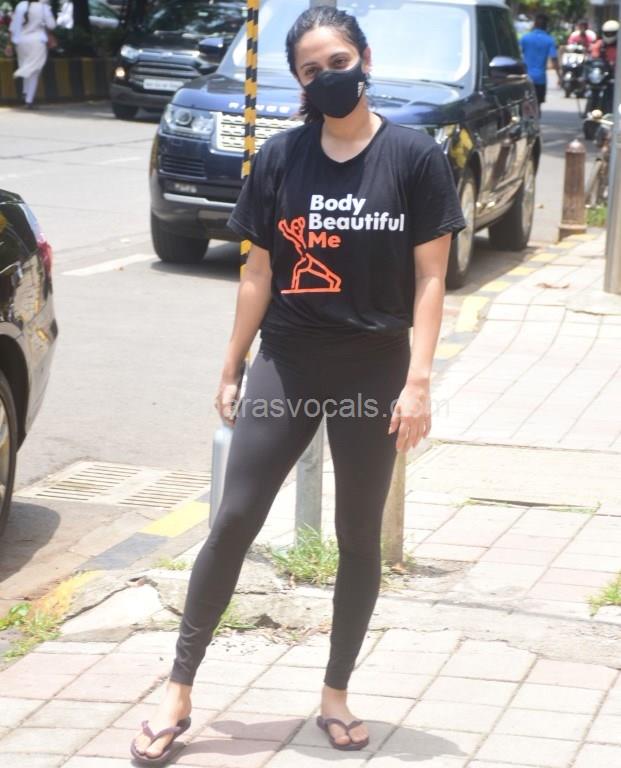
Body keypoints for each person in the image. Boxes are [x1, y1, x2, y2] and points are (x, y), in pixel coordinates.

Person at [130, 5, 466, 765]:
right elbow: (257, 271)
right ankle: (178, 689)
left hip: (374, 369)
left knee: (356, 536)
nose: (328, 77)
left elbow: (431, 276)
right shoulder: (280, 158)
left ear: (365, 59)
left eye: (338, 62)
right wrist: (232, 362)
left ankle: (336, 693)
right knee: (233, 518)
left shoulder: (414, 156)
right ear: (300, 81)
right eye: (312, 70)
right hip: (287, 362)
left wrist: (418, 381)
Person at [9, 0, 56, 108]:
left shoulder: (20, 5)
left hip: (21, 41)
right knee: (34, 70)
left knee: (26, 66)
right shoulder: (43, 7)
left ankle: (25, 92)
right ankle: (29, 101)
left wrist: (10, 44)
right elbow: (51, 25)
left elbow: (13, 27)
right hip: (36, 41)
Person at [520, 12, 561, 112]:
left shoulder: (525, 38)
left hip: (525, 77)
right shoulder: (549, 40)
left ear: (534, 24)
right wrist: (559, 76)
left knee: (523, 103)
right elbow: (554, 59)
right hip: (540, 78)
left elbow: (517, 55)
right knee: (537, 105)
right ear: (546, 25)